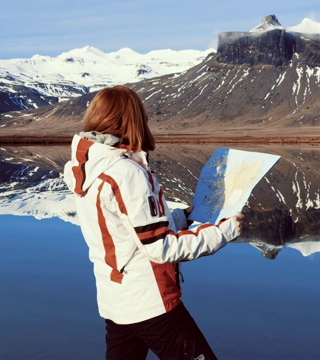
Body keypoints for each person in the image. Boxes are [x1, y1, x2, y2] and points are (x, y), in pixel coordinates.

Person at [64, 85, 242, 360]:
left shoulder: (89, 169)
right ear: (132, 120)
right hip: (151, 304)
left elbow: (128, 229)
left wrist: (184, 216)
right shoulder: (126, 172)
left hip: (116, 303)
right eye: (142, 116)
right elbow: (160, 247)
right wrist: (224, 231)